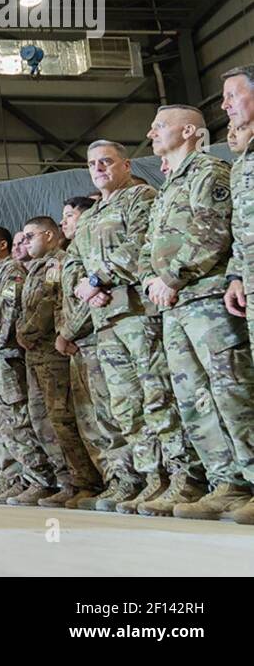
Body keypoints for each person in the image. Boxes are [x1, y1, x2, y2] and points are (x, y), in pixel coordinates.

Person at [62, 140, 196, 514]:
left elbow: (143, 245)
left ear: (126, 164)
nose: (99, 168)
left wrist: (98, 278)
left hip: (138, 314)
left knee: (158, 397)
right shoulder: (89, 216)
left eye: (107, 161)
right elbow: (71, 260)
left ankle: (184, 478)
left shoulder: (141, 196)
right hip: (104, 321)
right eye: (93, 163)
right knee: (125, 407)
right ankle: (151, 479)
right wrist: (84, 288)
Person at [140, 105, 252, 519]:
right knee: (193, 399)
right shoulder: (169, 185)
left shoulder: (209, 172)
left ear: (189, 131)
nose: (151, 132)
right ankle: (228, 483)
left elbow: (215, 232)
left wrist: (170, 276)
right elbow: (151, 246)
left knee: (231, 390)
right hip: (176, 304)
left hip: (205, 298)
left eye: (160, 125)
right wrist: (156, 282)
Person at [0, 226, 58, 505]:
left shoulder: (11, 271)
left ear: (3, 245)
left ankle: (41, 479)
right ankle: (15, 478)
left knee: (15, 423)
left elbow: (6, 313)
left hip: (2, 358)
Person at [17, 215, 101, 506]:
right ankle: (65, 480)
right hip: (35, 353)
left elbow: (48, 303)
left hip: (53, 352)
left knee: (63, 419)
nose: (26, 242)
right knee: (44, 422)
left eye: (31, 236)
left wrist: (25, 332)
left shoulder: (58, 263)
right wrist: (23, 332)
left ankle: (85, 481)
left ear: (50, 236)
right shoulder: (34, 268)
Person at [57, 195, 130, 510]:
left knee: (111, 413)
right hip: (79, 345)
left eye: (69, 215)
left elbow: (94, 296)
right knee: (92, 419)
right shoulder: (74, 251)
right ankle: (112, 480)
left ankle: (128, 480)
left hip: (93, 339)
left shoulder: (90, 247)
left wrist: (68, 332)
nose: (64, 223)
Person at [221, 63, 254, 525]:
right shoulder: (243, 161)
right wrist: (235, 273)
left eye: (232, 95)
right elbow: (239, 230)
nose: (225, 105)